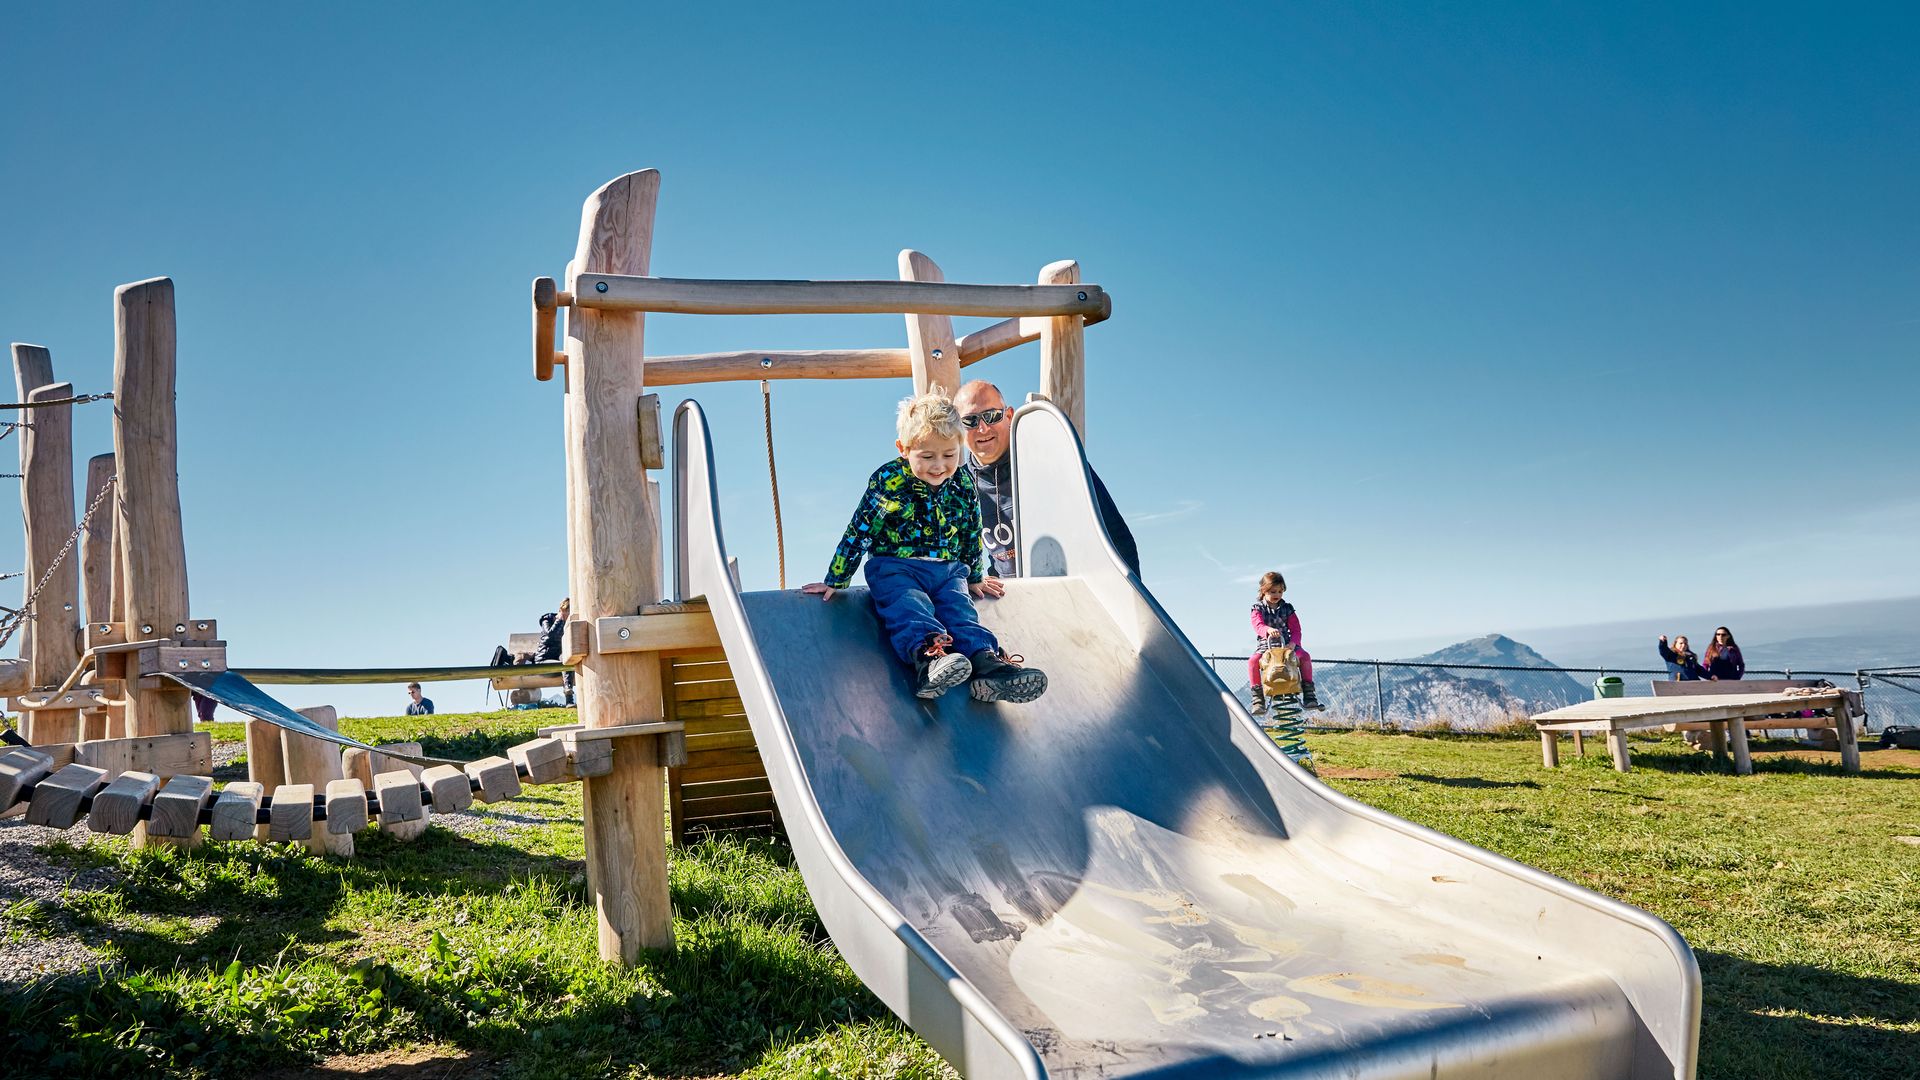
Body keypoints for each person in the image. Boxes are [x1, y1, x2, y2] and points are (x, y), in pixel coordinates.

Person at [802, 388, 1047, 703]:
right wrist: (836, 579)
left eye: (949, 455)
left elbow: (971, 531)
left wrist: (973, 576)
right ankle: (929, 659)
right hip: (896, 567)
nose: (939, 466)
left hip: (948, 571)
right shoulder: (889, 480)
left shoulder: (961, 483)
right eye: (927, 456)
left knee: (961, 613)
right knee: (910, 605)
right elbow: (859, 530)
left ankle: (987, 665)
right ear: (903, 449)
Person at [952, 380, 1140, 580]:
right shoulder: (959, 485)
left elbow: (1115, 534)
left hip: (1068, 591)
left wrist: (1131, 601)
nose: (982, 428)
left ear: (1009, 416)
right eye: (970, 421)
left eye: (991, 416)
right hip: (1012, 599)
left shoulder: (1055, 461)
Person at [1248, 571, 1320, 714]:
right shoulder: (1258, 609)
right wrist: (1267, 630)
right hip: (1266, 646)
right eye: (1273, 591)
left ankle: (1309, 694)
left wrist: (1293, 644)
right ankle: (1257, 699)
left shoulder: (1287, 608)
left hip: (1286, 645)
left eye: (1280, 591)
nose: (1277, 595)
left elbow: (1296, 629)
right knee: (1253, 661)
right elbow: (1258, 625)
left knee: (1305, 656)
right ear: (1264, 590)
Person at [537, 598, 576, 706]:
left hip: (560, 659)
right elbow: (549, 636)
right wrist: (559, 621)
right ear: (561, 610)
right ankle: (569, 699)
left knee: (567, 660)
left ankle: (569, 697)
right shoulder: (547, 620)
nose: (568, 615)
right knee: (565, 664)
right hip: (544, 660)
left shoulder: (570, 623)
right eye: (566, 611)